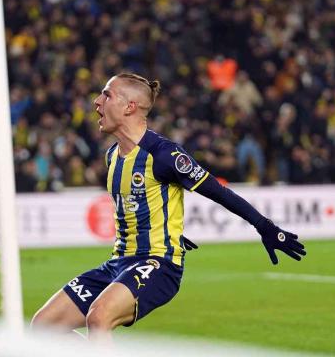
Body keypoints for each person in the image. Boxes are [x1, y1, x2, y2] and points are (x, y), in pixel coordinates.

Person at [30, 73, 306, 341]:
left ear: (130, 107)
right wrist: (167, 228)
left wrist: (265, 227)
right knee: (43, 326)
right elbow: (142, 204)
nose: (97, 102)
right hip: (118, 263)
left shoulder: (165, 155)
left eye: (107, 95)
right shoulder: (112, 156)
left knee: (99, 317)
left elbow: (219, 192)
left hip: (159, 264)